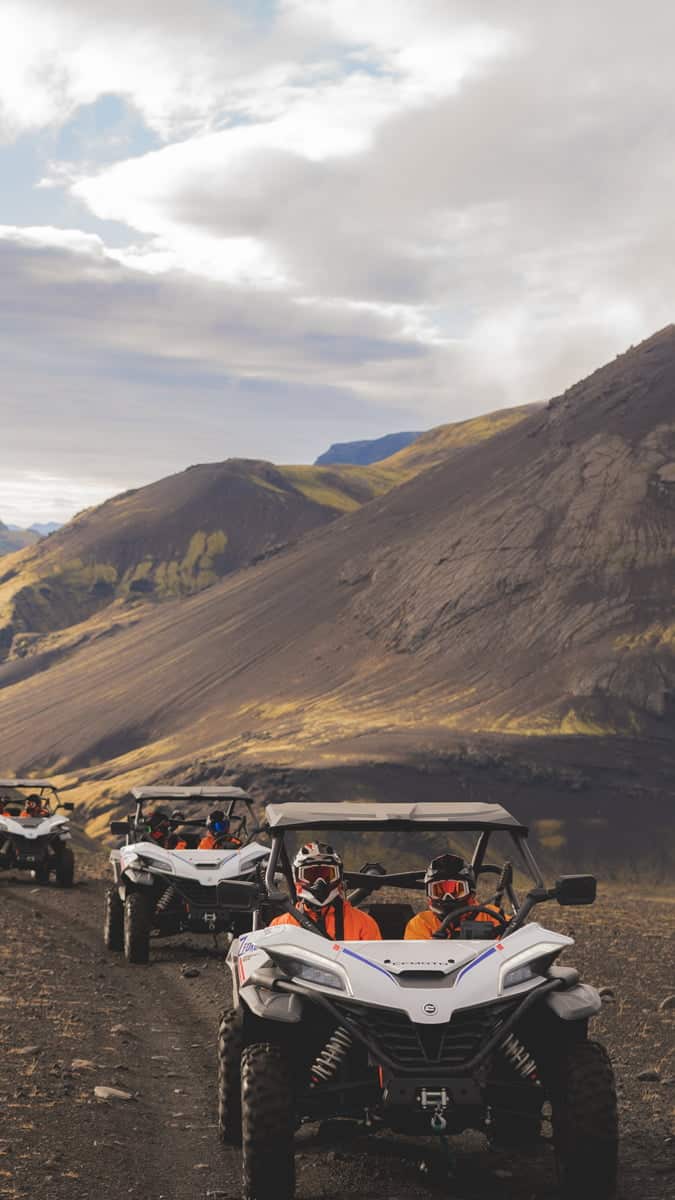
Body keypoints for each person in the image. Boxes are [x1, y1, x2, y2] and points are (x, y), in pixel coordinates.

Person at [269, 842, 381, 940]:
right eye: (311, 875)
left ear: (339, 877)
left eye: (327, 875)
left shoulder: (364, 924)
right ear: (297, 878)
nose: (320, 882)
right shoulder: (280, 926)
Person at [405, 853, 505, 940]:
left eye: (457, 890)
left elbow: (512, 940)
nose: (448, 897)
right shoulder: (422, 923)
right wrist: (436, 944)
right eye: (439, 891)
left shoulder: (492, 916)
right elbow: (417, 954)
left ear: (471, 891)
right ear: (429, 894)